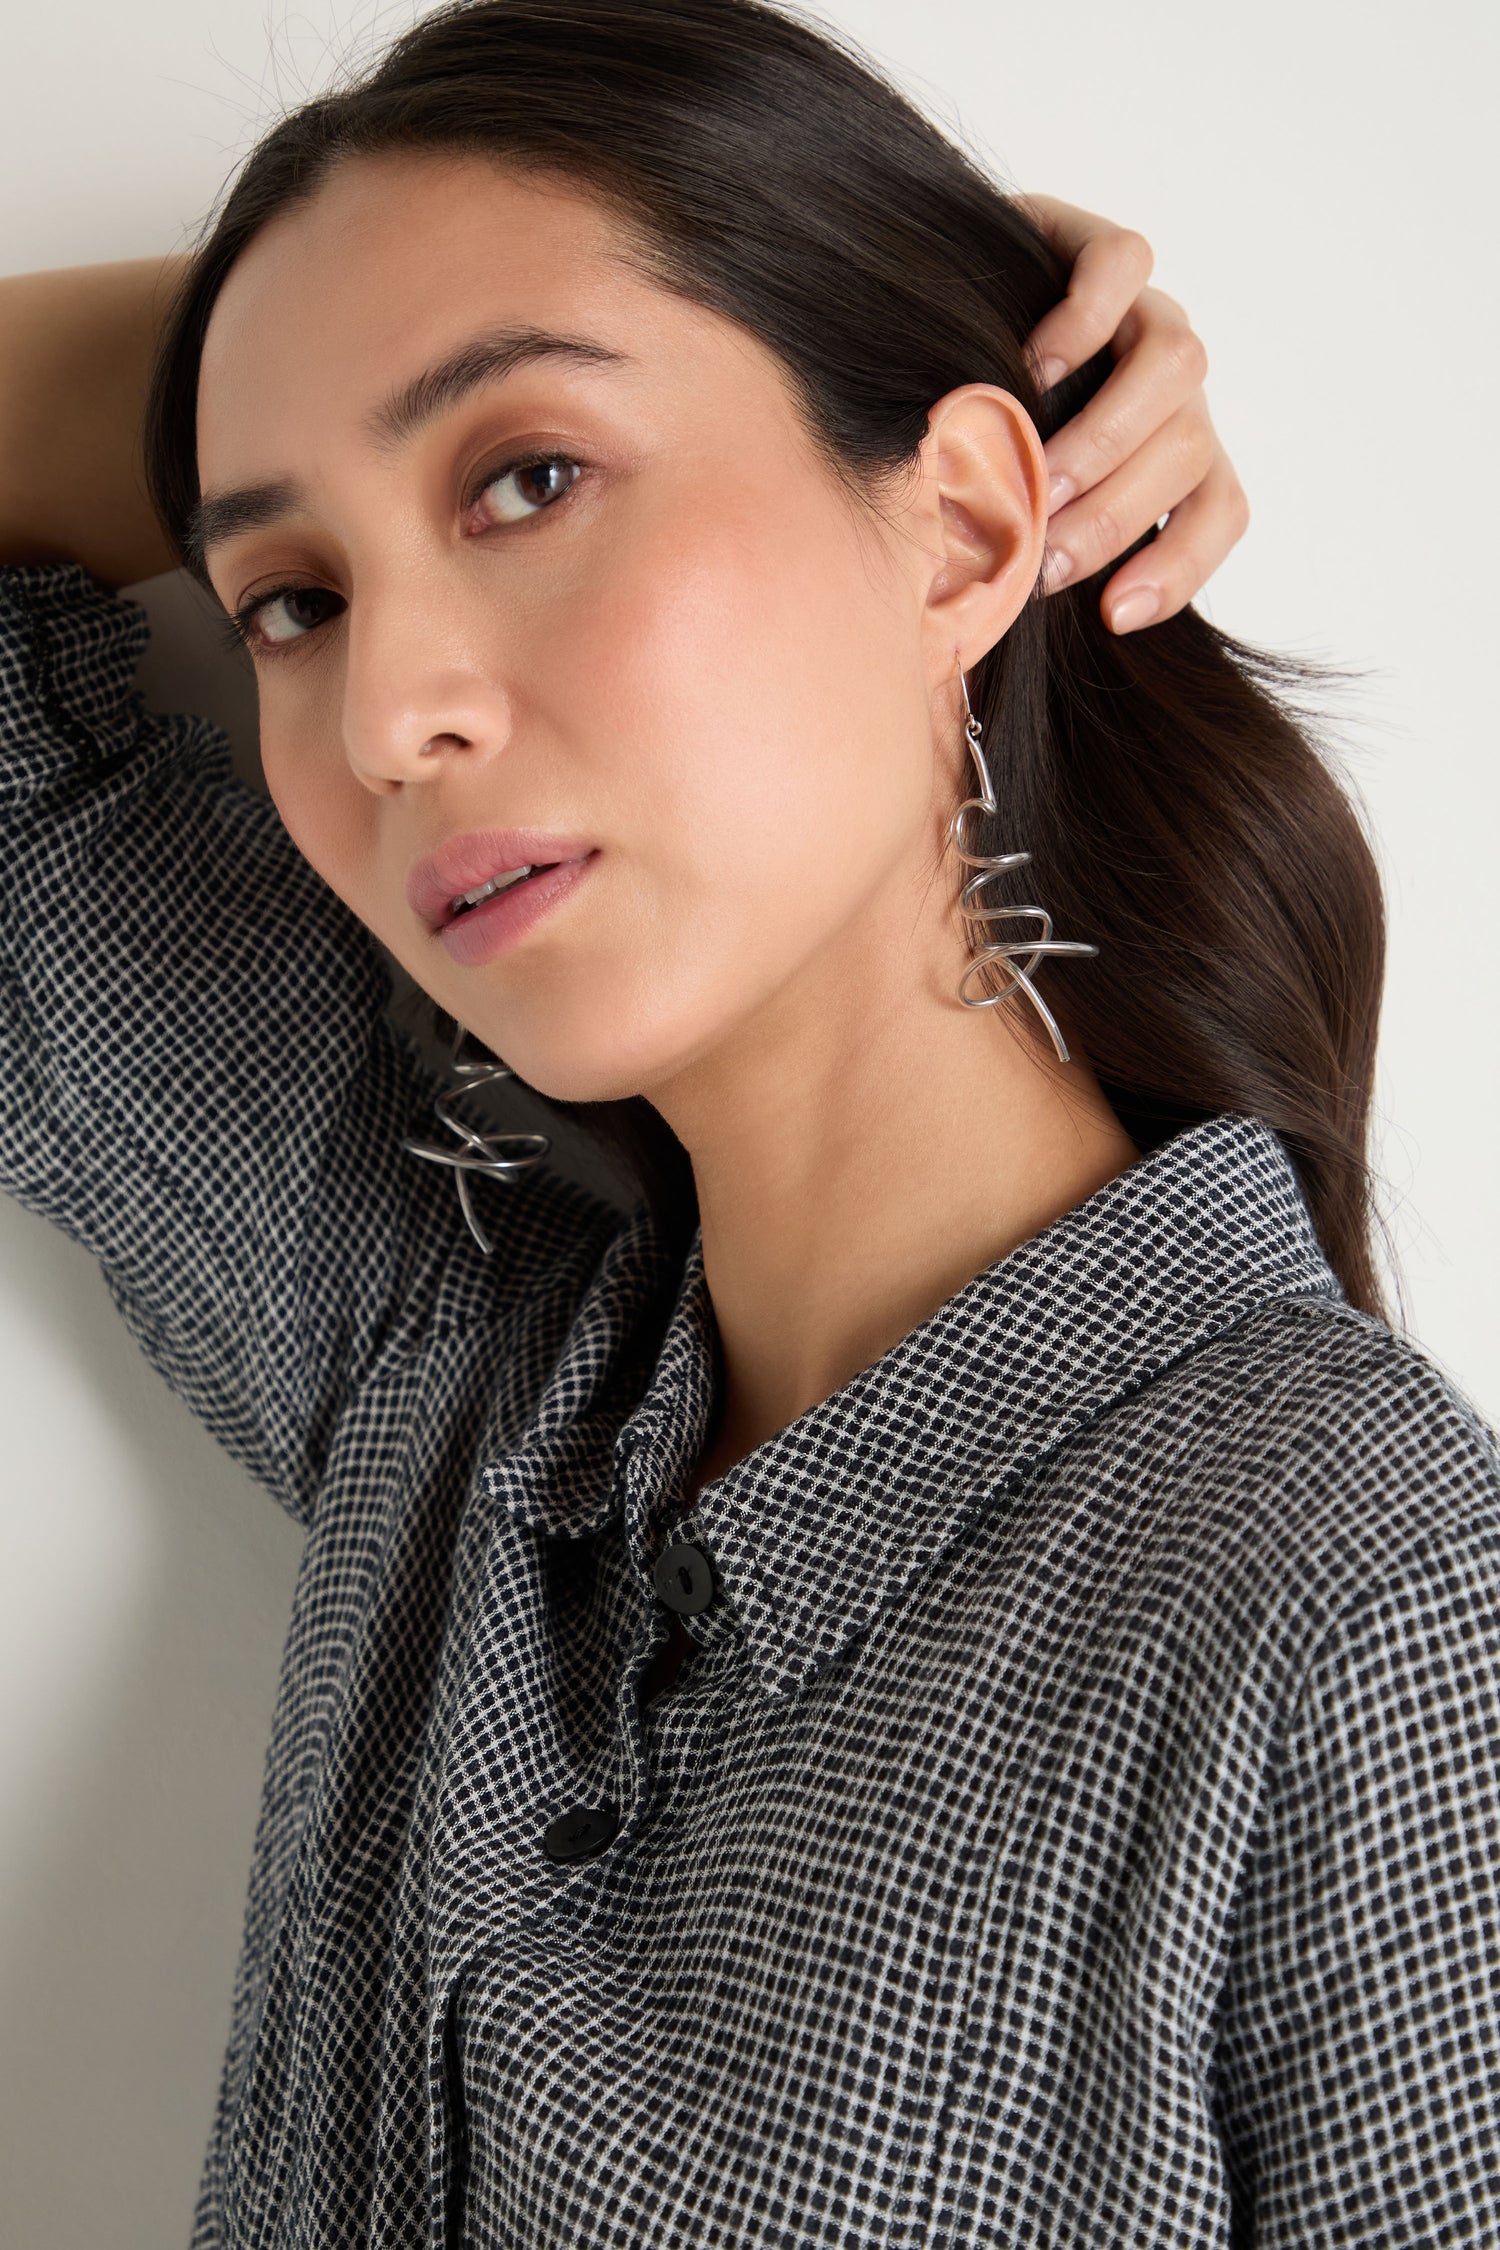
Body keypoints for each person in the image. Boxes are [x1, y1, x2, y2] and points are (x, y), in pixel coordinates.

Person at [2, 0, 1495, 2243]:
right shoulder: (449, 1385)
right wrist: (298, 324)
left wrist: (929, 299)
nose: (389, 713)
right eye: (291, 599)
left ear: (964, 522)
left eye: (529, 476)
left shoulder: (1352, 1591)